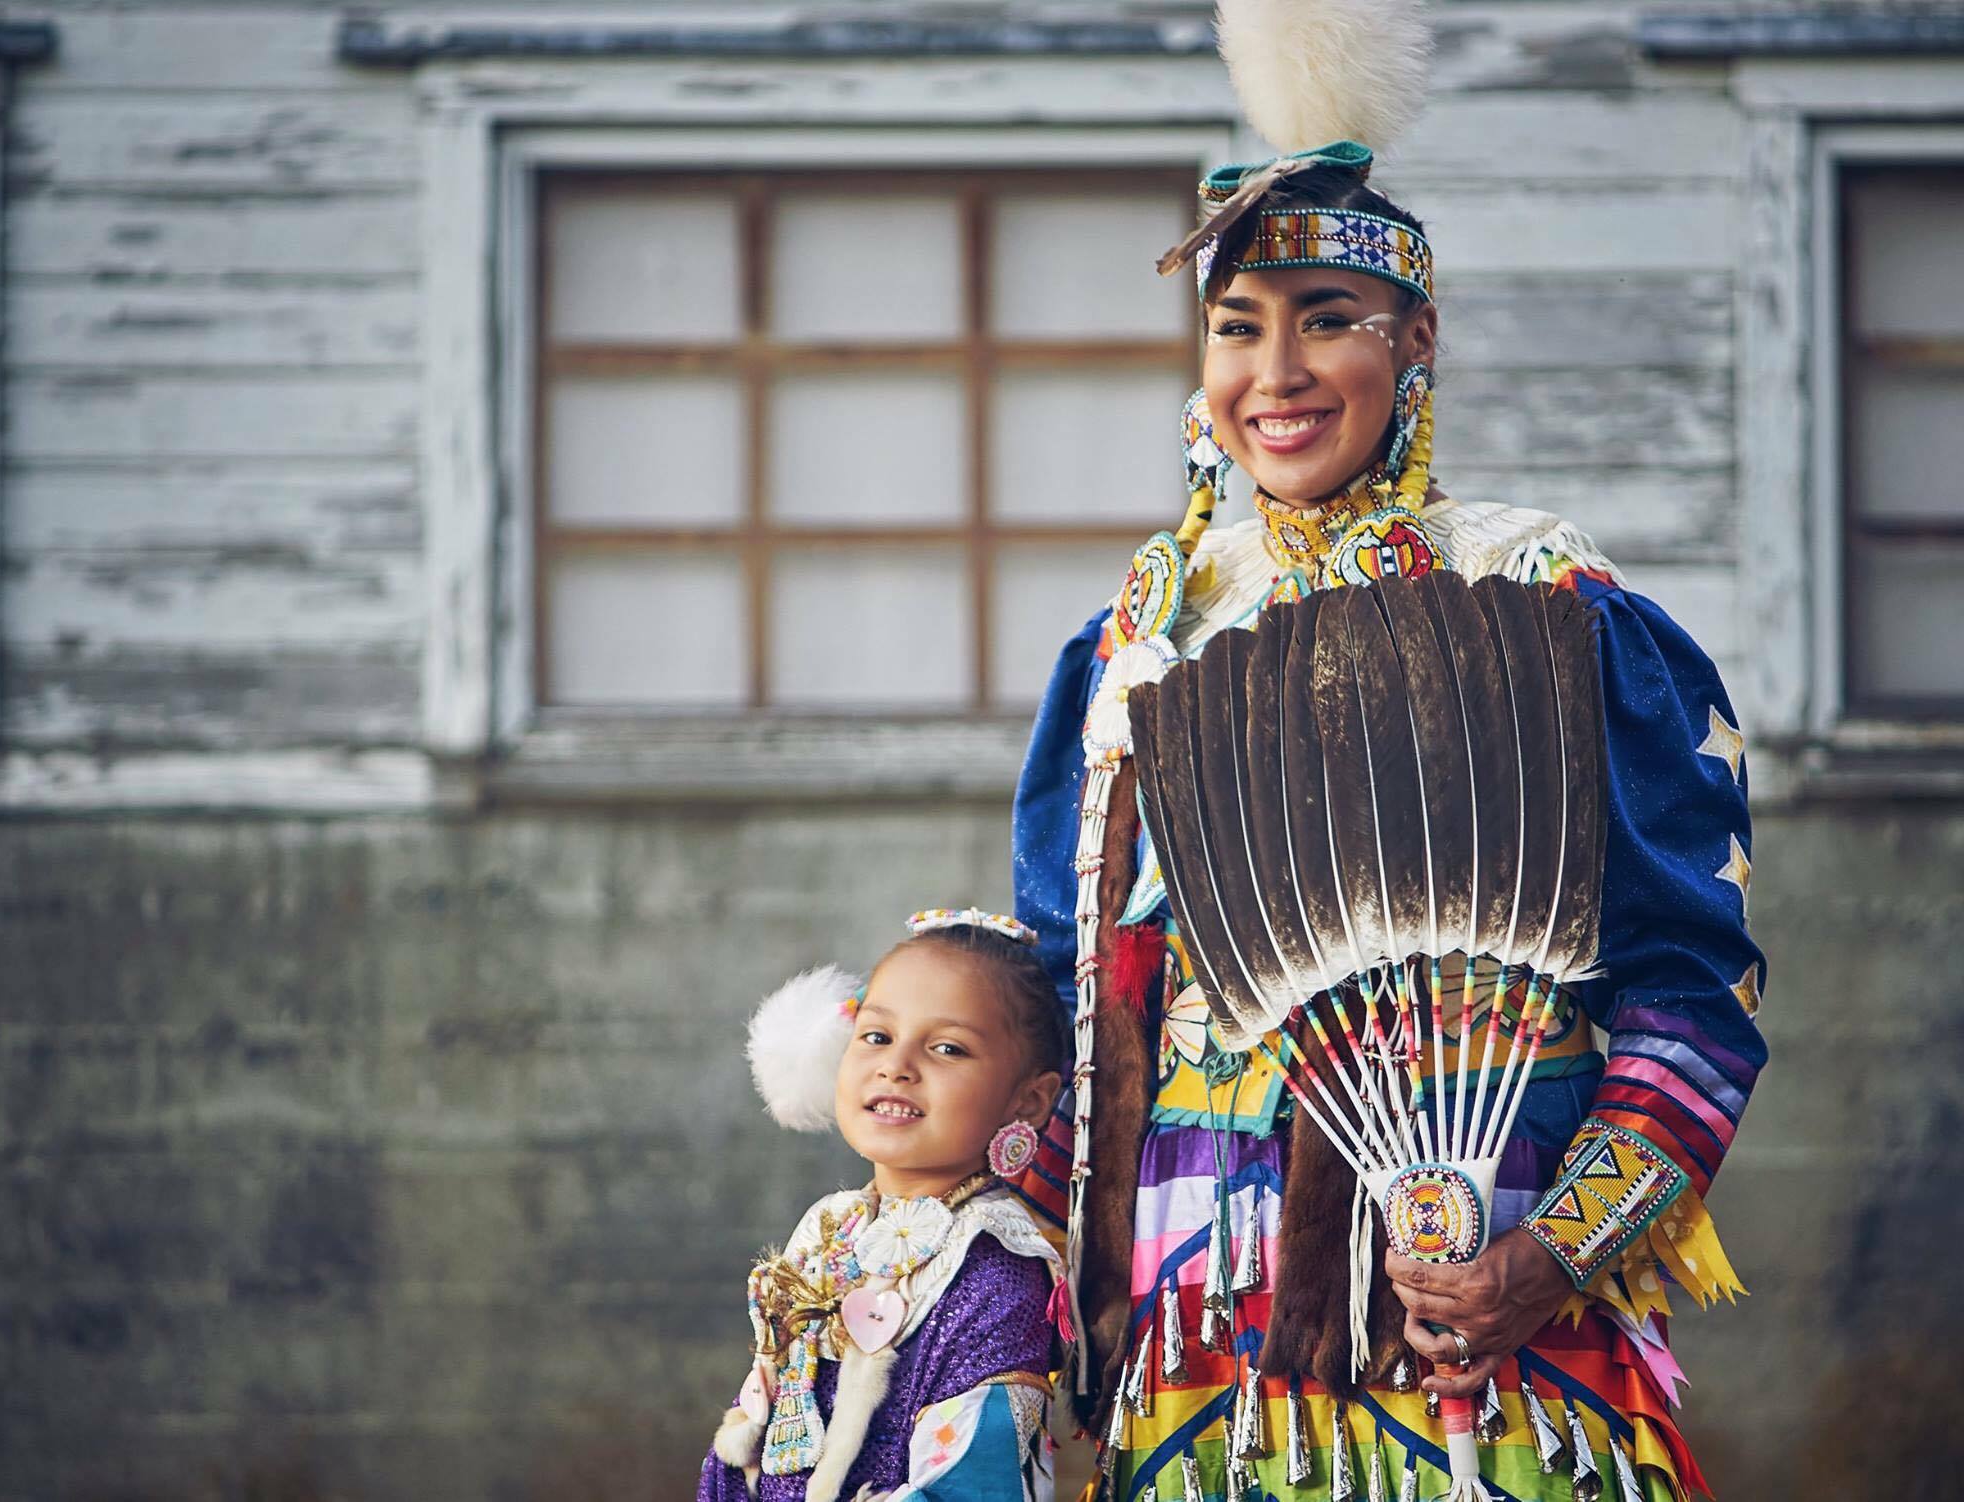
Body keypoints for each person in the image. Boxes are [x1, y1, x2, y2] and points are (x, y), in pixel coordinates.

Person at [1008, 3, 1767, 1497]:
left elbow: (1695, 986)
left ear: (1415, 337)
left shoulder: (1546, 608)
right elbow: (1067, 1010)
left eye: (1327, 320)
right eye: (1238, 326)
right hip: (1192, 1359)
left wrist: (1552, 1257)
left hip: (1485, 1331)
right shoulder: (1132, 644)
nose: (1274, 374)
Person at [698, 910, 1070, 1502]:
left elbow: (971, 1484)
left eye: (947, 1048)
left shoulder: (997, 1274)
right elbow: (751, 1435)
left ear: (1028, 1099)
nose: (896, 1065)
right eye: (877, 1036)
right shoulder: (828, 1232)